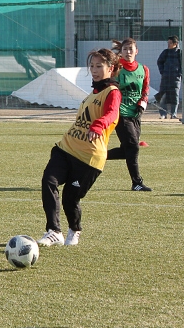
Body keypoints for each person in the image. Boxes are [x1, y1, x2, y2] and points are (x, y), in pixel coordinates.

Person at [37, 48, 121, 247]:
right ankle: (54, 231)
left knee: (70, 199)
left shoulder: (113, 92)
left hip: (89, 158)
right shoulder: (92, 94)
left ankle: (74, 229)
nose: (94, 70)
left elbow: (111, 113)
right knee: (49, 181)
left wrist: (98, 125)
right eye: (91, 66)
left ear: (111, 68)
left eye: (99, 66)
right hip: (65, 149)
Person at [106, 38, 152, 192]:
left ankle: (98, 155)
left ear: (136, 51)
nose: (128, 52)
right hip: (120, 113)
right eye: (125, 49)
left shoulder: (143, 69)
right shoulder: (117, 68)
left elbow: (145, 90)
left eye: (131, 49)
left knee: (128, 150)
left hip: (135, 114)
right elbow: (110, 88)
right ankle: (137, 183)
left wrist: (142, 105)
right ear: (121, 51)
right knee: (133, 146)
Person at [155, 35, 182, 119]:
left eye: (170, 43)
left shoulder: (179, 53)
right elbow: (159, 62)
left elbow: (183, 64)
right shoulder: (165, 52)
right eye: (168, 42)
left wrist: (179, 73)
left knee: (175, 96)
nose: (168, 44)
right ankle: (163, 114)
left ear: (175, 43)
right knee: (162, 95)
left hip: (175, 78)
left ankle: (173, 114)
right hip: (165, 77)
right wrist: (162, 71)